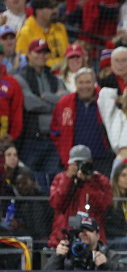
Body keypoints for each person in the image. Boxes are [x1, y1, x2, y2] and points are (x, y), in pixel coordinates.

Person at [15, 38, 67, 190]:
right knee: (30, 183)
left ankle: (50, 214)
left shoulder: (55, 78)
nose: (42, 56)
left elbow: (65, 100)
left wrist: (44, 97)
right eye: (38, 52)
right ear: (29, 54)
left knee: (53, 184)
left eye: (45, 53)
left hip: (53, 140)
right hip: (30, 140)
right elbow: (30, 104)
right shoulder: (21, 77)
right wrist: (54, 101)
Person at [50, 68, 113, 177]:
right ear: (75, 84)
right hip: (75, 162)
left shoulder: (106, 100)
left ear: (94, 83)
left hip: (103, 161)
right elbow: (54, 131)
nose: (84, 86)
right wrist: (63, 151)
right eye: (81, 82)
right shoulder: (64, 103)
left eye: (88, 82)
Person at [47, 145, 113, 248]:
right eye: (76, 163)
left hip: (92, 241)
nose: (80, 167)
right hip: (63, 239)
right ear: (70, 163)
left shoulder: (100, 181)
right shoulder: (60, 179)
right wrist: (68, 179)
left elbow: (103, 205)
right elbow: (57, 203)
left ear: (91, 163)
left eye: (83, 163)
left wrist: (89, 183)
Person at [15, 0, 68, 68]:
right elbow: (22, 61)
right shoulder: (25, 32)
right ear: (38, 11)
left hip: (63, 72)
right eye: (51, 8)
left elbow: (67, 54)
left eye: (55, 7)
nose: (55, 10)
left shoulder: (60, 28)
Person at [6, 167, 53, 239]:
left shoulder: (43, 200)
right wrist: (17, 224)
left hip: (45, 236)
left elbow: (50, 221)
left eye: (24, 183)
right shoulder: (19, 201)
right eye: (18, 184)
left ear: (33, 183)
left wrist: (44, 236)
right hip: (29, 235)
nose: (20, 186)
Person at [0, 42, 23, 146]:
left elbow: (17, 112)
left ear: (2, 56)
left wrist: (13, 135)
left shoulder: (12, 83)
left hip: (3, 139)